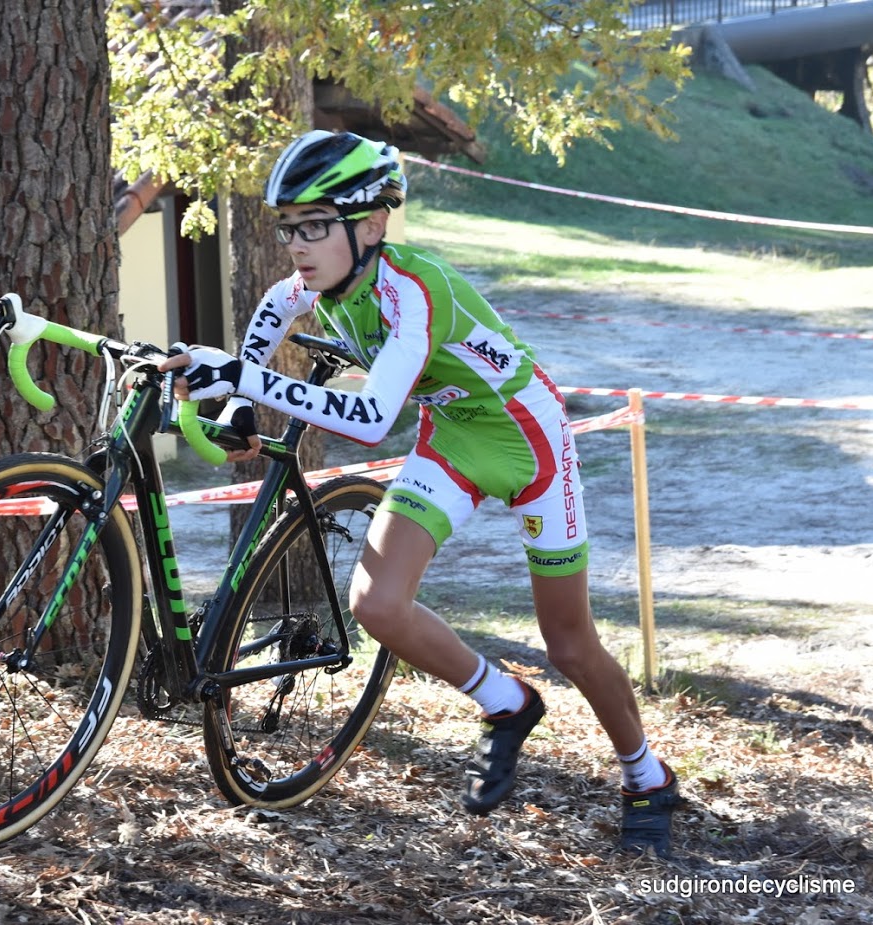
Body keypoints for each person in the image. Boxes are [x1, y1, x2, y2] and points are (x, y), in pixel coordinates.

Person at [158, 129, 680, 856]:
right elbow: (273, 311)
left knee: (570, 643)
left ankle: (646, 775)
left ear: (371, 225)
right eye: (289, 228)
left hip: (528, 439)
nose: (298, 246)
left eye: (315, 226)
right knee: (377, 604)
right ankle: (506, 700)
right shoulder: (317, 284)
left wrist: (245, 379)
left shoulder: (413, 290)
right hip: (454, 435)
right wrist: (244, 394)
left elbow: (372, 418)